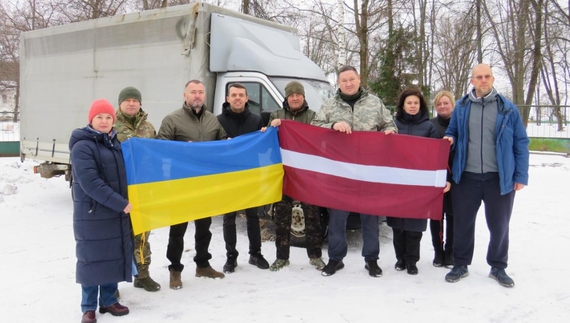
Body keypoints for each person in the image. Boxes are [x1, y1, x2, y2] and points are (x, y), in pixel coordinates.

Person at [443, 64, 529, 288]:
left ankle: (498, 266)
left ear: (492, 79)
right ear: (472, 81)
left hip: (499, 179)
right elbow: (451, 130)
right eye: (479, 77)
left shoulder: (507, 109)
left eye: (487, 76)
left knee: (499, 225)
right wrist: (450, 138)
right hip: (467, 178)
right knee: (462, 223)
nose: (483, 80)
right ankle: (461, 264)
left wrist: (520, 175)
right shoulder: (461, 107)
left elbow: (521, 142)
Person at [311, 65, 397, 277]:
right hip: (341, 172)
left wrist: (390, 130)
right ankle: (335, 259)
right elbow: (314, 125)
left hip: (369, 171)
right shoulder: (330, 105)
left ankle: (371, 260)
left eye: (352, 79)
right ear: (338, 83)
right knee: (337, 218)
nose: (348, 83)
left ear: (359, 79)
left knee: (370, 217)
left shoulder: (375, 103)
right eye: (344, 80)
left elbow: (390, 123)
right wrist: (332, 125)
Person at [157, 79, 227, 289]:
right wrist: (181, 148)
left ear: (205, 96)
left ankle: (203, 265)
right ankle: (175, 270)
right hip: (181, 183)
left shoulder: (213, 120)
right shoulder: (172, 119)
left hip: (205, 183)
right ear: (185, 95)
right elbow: (160, 146)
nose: (197, 96)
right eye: (193, 92)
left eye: (200, 92)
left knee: (204, 227)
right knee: (178, 229)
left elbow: (224, 144)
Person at [69, 99, 132, 323]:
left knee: (112, 254)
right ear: (91, 120)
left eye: (108, 117)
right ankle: (88, 307)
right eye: (99, 117)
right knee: (92, 258)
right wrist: (119, 202)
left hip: (113, 211)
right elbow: (90, 182)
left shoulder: (114, 143)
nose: (104, 121)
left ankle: (108, 300)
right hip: (92, 213)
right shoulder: (82, 145)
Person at [386, 88, 449, 276]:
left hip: (419, 183)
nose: (413, 106)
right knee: (397, 225)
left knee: (414, 225)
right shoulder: (394, 125)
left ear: (420, 105)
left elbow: (438, 155)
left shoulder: (429, 127)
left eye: (416, 103)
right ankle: (400, 259)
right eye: (409, 103)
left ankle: (412, 260)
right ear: (402, 105)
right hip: (397, 182)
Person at [266, 81, 326, 272]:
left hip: (307, 176)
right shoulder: (276, 115)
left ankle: (315, 256)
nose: (294, 98)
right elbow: (268, 140)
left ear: (303, 96)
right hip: (284, 175)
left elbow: (320, 140)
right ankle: (282, 257)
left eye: (298, 95)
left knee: (313, 217)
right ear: (286, 97)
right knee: (282, 218)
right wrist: (271, 127)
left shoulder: (312, 116)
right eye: (291, 95)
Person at [216, 83, 269, 273]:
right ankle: (231, 257)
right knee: (229, 217)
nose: (237, 98)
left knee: (253, 216)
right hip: (227, 175)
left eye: (241, 95)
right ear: (228, 98)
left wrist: (265, 135)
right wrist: (223, 144)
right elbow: (211, 147)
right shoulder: (218, 121)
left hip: (250, 174)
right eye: (234, 95)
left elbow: (264, 148)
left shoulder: (256, 120)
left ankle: (256, 253)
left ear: (247, 98)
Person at [113, 86, 161, 292]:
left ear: (140, 103)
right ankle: (111, 282)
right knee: (116, 236)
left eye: (135, 100)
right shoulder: (110, 126)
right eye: (127, 100)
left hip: (143, 190)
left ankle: (143, 274)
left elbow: (158, 153)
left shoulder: (149, 128)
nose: (131, 103)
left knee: (142, 234)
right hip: (119, 191)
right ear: (120, 103)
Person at [429, 90, 456, 268]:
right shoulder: (430, 125)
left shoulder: (460, 124)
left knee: (453, 216)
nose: (442, 106)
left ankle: (450, 253)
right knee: (436, 217)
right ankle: (438, 252)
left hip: (456, 177)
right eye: (439, 104)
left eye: (446, 103)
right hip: (436, 178)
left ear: (452, 104)